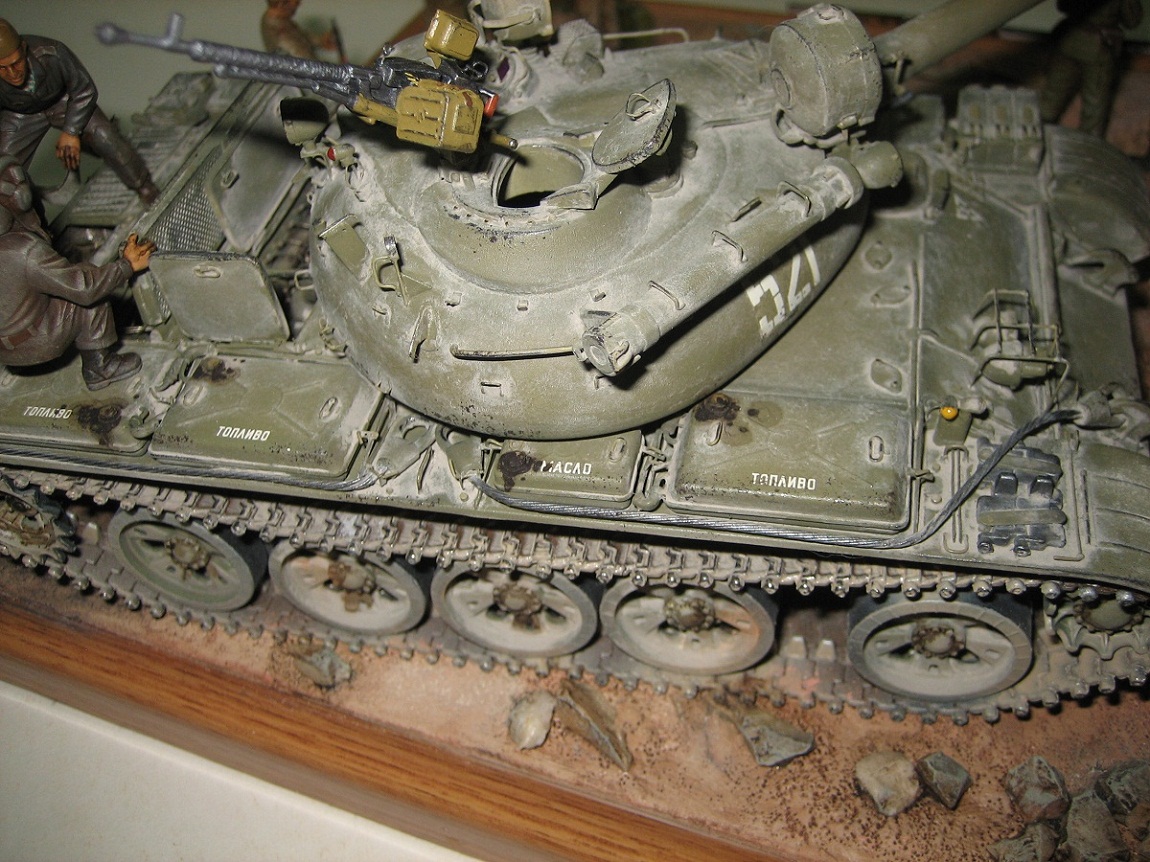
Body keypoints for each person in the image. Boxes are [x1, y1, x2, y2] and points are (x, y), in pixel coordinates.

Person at [0, 156, 155, 390]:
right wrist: (127, 265)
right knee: (90, 285)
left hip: (5, 348)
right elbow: (85, 289)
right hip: (36, 343)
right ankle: (100, 368)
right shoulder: (25, 251)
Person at [0, 18, 159, 205]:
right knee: (4, 172)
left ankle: (143, 185)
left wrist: (71, 132)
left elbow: (84, 89)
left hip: (65, 100)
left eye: (16, 63)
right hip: (21, 115)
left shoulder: (52, 52)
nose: (13, 73)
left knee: (104, 135)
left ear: (24, 48)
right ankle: (34, 218)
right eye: (2, 68)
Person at [1039, 0, 1144, 138]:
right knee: (1094, 107)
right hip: (1097, 49)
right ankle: (1087, 144)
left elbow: (1063, 6)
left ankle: (1036, 132)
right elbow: (1132, 21)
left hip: (1071, 40)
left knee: (1052, 98)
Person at [261, 0, 340, 61]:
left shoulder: (283, 22)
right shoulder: (278, 31)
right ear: (282, 3)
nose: (299, 4)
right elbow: (300, 57)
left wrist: (320, 41)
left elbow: (301, 37)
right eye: (296, 2)